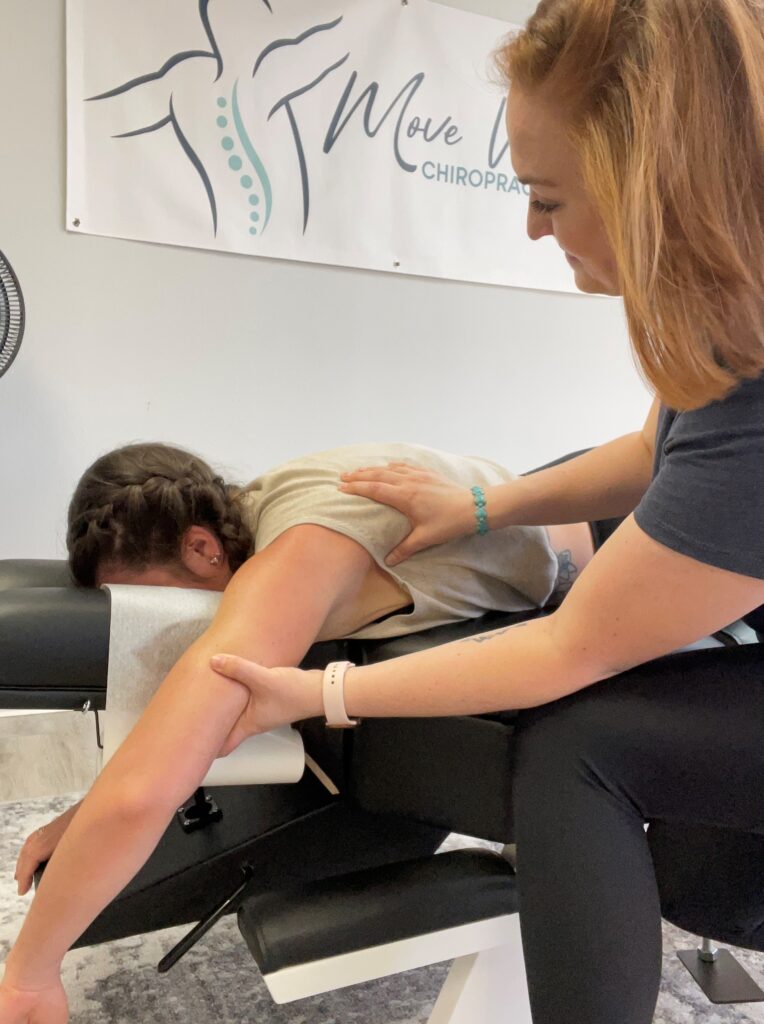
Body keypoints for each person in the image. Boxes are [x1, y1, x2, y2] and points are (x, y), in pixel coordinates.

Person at [0, 437, 595, 1023]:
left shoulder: (299, 552)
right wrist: (85, 817)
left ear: (201, 547)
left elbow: (144, 789)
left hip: (606, 539)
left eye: (150, 601)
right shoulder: (247, 518)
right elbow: (164, 747)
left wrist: (30, 974)